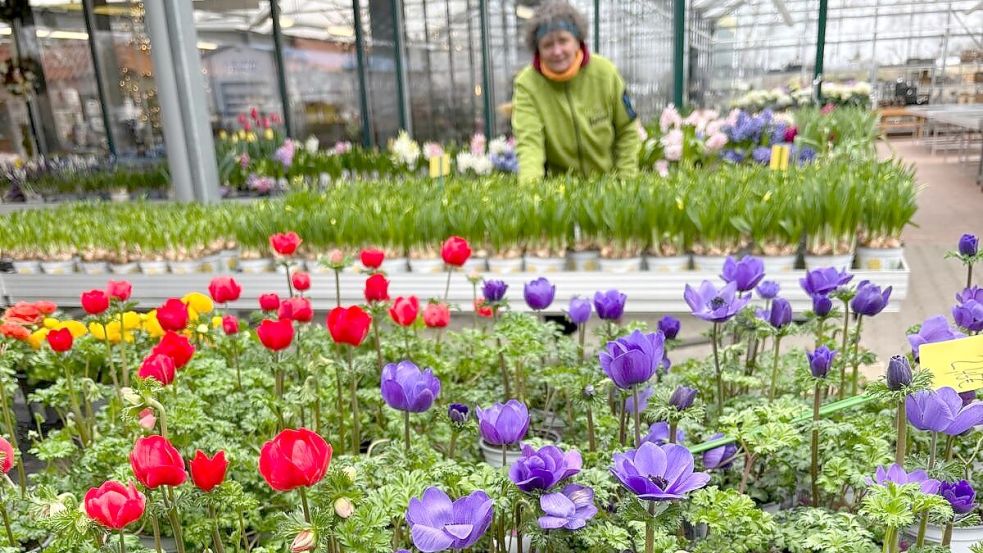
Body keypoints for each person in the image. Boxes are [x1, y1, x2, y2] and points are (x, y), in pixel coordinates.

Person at [512, 1, 640, 183]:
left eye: (563, 40)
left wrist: (627, 181)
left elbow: (626, 129)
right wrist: (531, 192)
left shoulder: (605, 73)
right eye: (548, 44)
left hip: (608, 186)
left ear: (577, 40)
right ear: (537, 49)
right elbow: (529, 142)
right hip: (560, 190)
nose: (557, 51)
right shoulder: (527, 84)